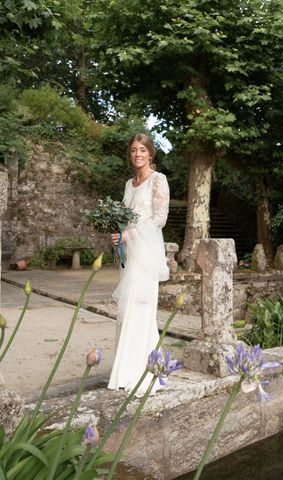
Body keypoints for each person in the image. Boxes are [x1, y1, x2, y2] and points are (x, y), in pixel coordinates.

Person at [108, 133, 170, 393]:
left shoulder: (158, 180)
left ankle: (145, 370)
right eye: (133, 150)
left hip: (146, 254)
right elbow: (124, 217)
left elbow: (159, 218)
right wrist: (117, 235)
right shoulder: (128, 184)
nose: (137, 154)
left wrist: (129, 234)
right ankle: (124, 369)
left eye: (142, 150)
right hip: (129, 254)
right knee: (127, 311)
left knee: (141, 309)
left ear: (150, 154)